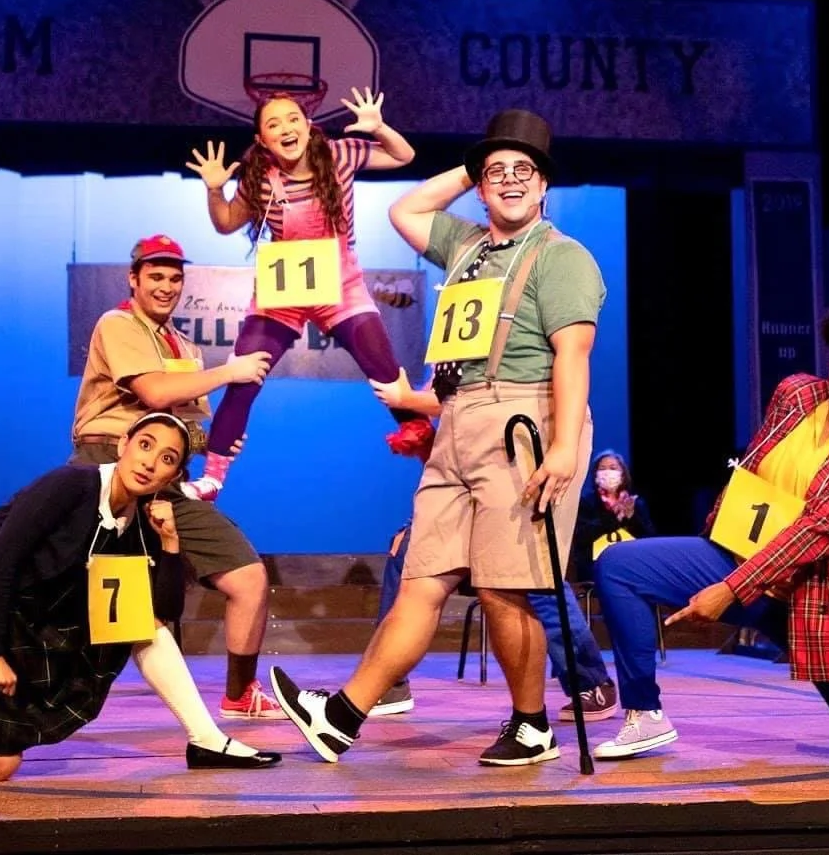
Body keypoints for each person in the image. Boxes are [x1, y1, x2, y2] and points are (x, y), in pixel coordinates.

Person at [269, 108, 605, 766]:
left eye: (522, 171)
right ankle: (340, 717)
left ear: (543, 186)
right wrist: (475, 164)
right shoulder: (469, 245)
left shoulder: (562, 256)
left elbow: (573, 355)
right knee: (421, 580)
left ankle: (532, 723)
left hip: (523, 422)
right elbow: (406, 210)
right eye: (496, 172)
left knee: (506, 586)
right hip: (456, 422)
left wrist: (564, 444)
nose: (508, 181)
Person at [0, 413, 282, 780]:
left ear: (172, 479)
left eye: (167, 459)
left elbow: (162, 615)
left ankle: (206, 739)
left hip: (32, 611)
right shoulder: (72, 485)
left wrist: (170, 544)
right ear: (123, 445)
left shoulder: (139, 524)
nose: (150, 461)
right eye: (145, 445)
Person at [591, 303, 829, 763]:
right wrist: (723, 538)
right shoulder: (796, 395)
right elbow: (753, 466)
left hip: (818, 601)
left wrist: (729, 590)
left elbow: (817, 531)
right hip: (739, 559)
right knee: (618, 566)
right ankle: (644, 713)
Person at [70, 234, 287, 720]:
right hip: (106, 469)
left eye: (174, 277)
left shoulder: (183, 344)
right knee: (81, 590)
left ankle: (239, 694)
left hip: (164, 482)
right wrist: (230, 371)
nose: (166, 286)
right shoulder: (117, 323)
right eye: (156, 276)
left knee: (249, 576)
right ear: (134, 279)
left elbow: (186, 422)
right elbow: (154, 392)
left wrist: (215, 441)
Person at [183, 87, 434, 498]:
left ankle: (434, 457)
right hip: (283, 291)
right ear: (262, 140)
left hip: (341, 287)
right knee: (244, 374)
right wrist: (215, 190)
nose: (285, 128)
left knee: (388, 377)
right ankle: (212, 477)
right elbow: (227, 222)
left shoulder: (340, 155)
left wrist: (379, 127)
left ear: (308, 124)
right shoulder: (259, 179)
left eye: (293, 119)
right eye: (273, 124)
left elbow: (403, 156)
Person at [367, 372, 618, 723]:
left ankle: (588, 682)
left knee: (535, 579)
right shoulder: (448, 353)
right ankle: (388, 683)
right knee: (407, 555)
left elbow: (466, 398)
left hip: (512, 456)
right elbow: (448, 402)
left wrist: (405, 398)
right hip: (471, 476)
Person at [571, 449, 656, 584]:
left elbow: (649, 538)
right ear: (595, 475)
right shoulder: (586, 501)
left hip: (632, 564)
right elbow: (581, 537)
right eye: (602, 468)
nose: (607, 472)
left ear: (622, 474)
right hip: (595, 566)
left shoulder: (634, 503)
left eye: (613, 468)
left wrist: (631, 517)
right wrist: (614, 518)